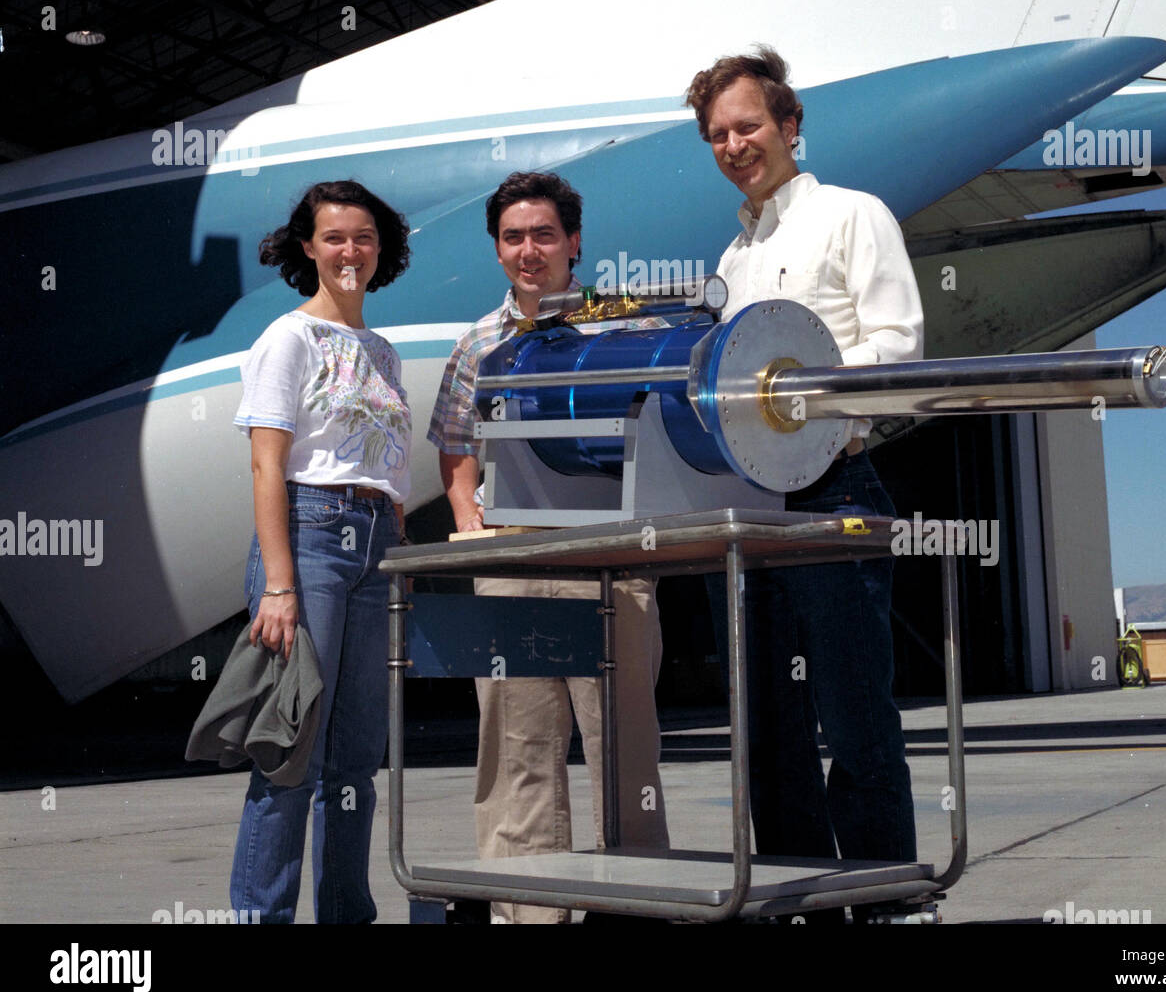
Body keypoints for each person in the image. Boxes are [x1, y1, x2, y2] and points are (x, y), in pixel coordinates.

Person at [685, 47, 923, 901]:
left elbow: (897, 352)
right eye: (717, 133)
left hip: (836, 492)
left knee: (855, 717)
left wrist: (797, 404)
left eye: (748, 125)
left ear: (790, 126)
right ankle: (796, 901)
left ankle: (880, 897)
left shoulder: (854, 216)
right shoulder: (731, 259)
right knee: (765, 725)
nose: (734, 143)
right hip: (748, 504)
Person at [428, 170, 669, 923]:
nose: (528, 250)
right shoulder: (478, 342)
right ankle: (525, 910)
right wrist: (471, 523)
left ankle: (633, 904)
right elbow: (456, 447)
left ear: (574, 242)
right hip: (513, 561)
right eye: (512, 237)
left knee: (622, 743)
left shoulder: (623, 326)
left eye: (543, 235)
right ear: (498, 250)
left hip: (611, 555)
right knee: (516, 748)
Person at [229, 179, 412, 923]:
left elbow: (387, 468)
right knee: (291, 752)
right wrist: (279, 585)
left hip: (375, 546)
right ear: (308, 246)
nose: (350, 251)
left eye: (363, 237)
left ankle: (346, 912)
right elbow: (267, 464)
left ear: (381, 249)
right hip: (308, 541)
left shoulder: (383, 350)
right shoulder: (288, 338)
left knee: (357, 760)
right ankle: (261, 915)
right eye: (334, 237)